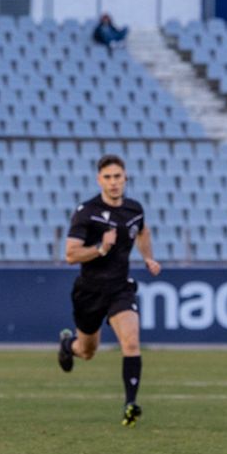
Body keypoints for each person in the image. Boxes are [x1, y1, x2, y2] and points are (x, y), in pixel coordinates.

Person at [56, 155, 161, 426]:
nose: (113, 182)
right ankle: (68, 345)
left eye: (117, 176)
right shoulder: (86, 212)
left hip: (119, 288)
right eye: (108, 177)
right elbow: (70, 255)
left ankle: (130, 405)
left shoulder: (134, 209)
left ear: (125, 178)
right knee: (87, 351)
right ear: (99, 180)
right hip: (89, 292)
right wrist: (101, 248)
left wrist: (148, 258)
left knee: (131, 341)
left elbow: (143, 232)